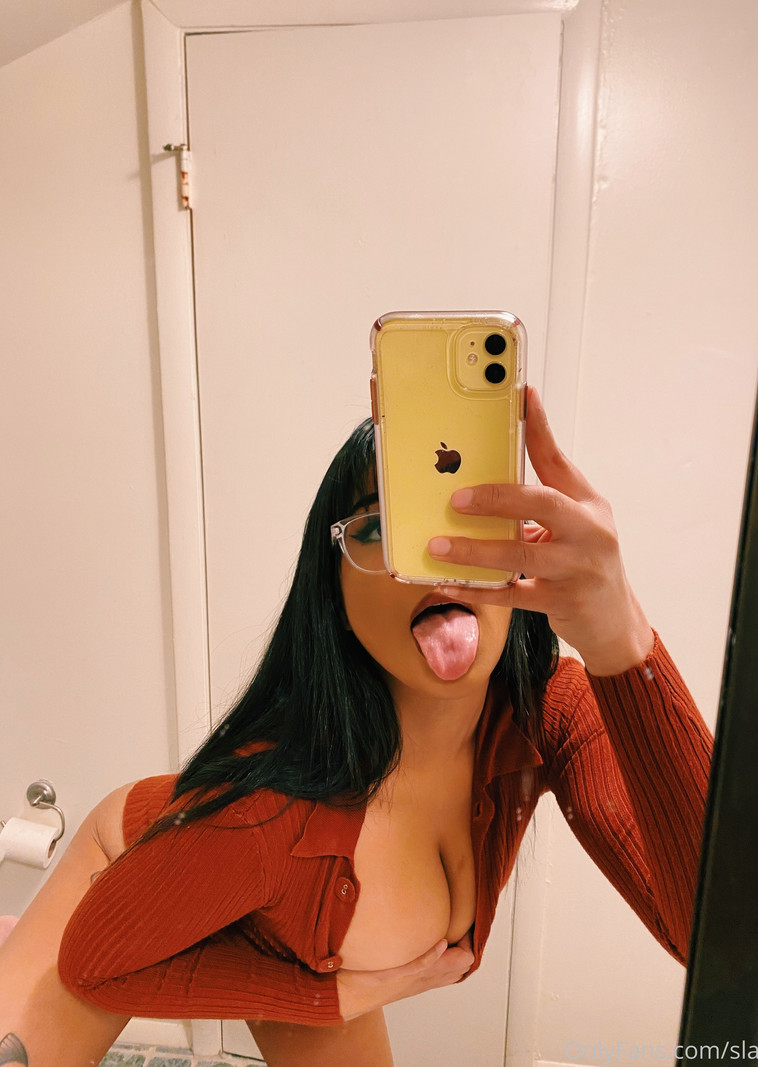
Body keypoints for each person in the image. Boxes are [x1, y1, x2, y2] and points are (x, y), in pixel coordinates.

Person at [0, 388, 713, 1067]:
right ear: (334, 593)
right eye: (381, 528)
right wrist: (335, 994)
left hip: (295, 926)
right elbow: (95, 962)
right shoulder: (265, 816)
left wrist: (621, 637)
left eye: (469, 522)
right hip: (145, 865)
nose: (435, 561)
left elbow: (722, 943)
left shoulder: (546, 709)